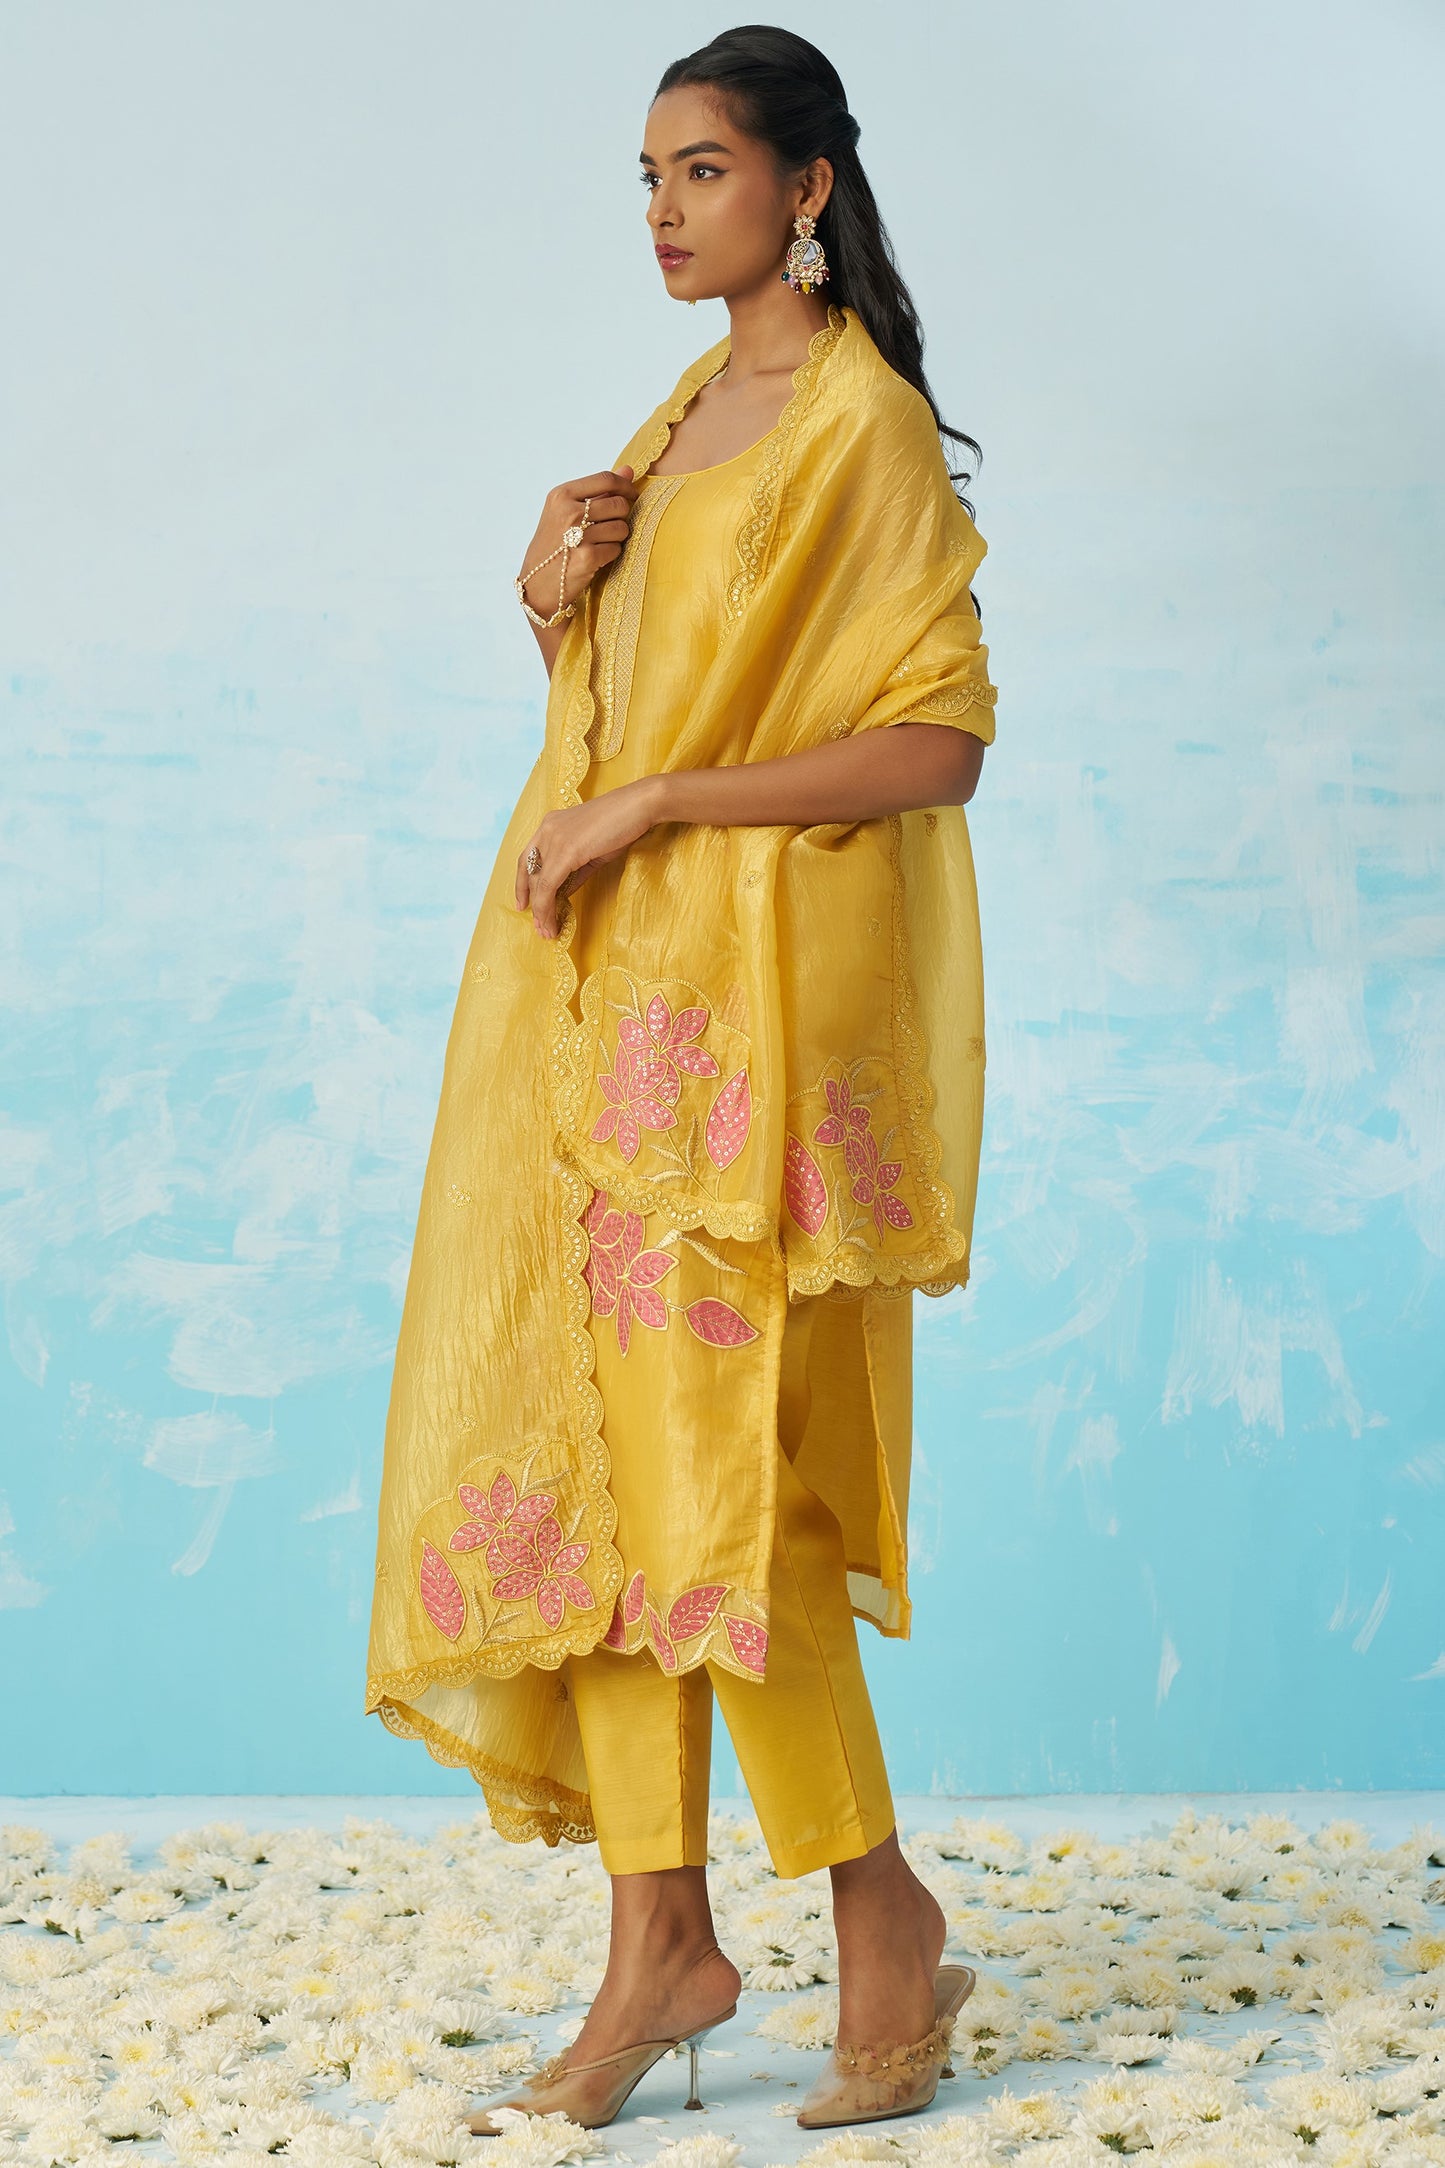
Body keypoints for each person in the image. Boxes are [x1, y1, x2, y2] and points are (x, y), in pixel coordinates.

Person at [364, 23, 997, 2137]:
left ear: (806, 187)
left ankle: (874, 1915)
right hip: (594, 1025)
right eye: (645, 176)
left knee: (734, 1500)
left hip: (740, 1053)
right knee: (616, 1499)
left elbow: (934, 740)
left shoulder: (855, 426)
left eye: (701, 169)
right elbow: (632, 723)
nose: (661, 209)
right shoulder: (677, 417)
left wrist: (656, 808)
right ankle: (662, 1938)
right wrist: (557, 604)